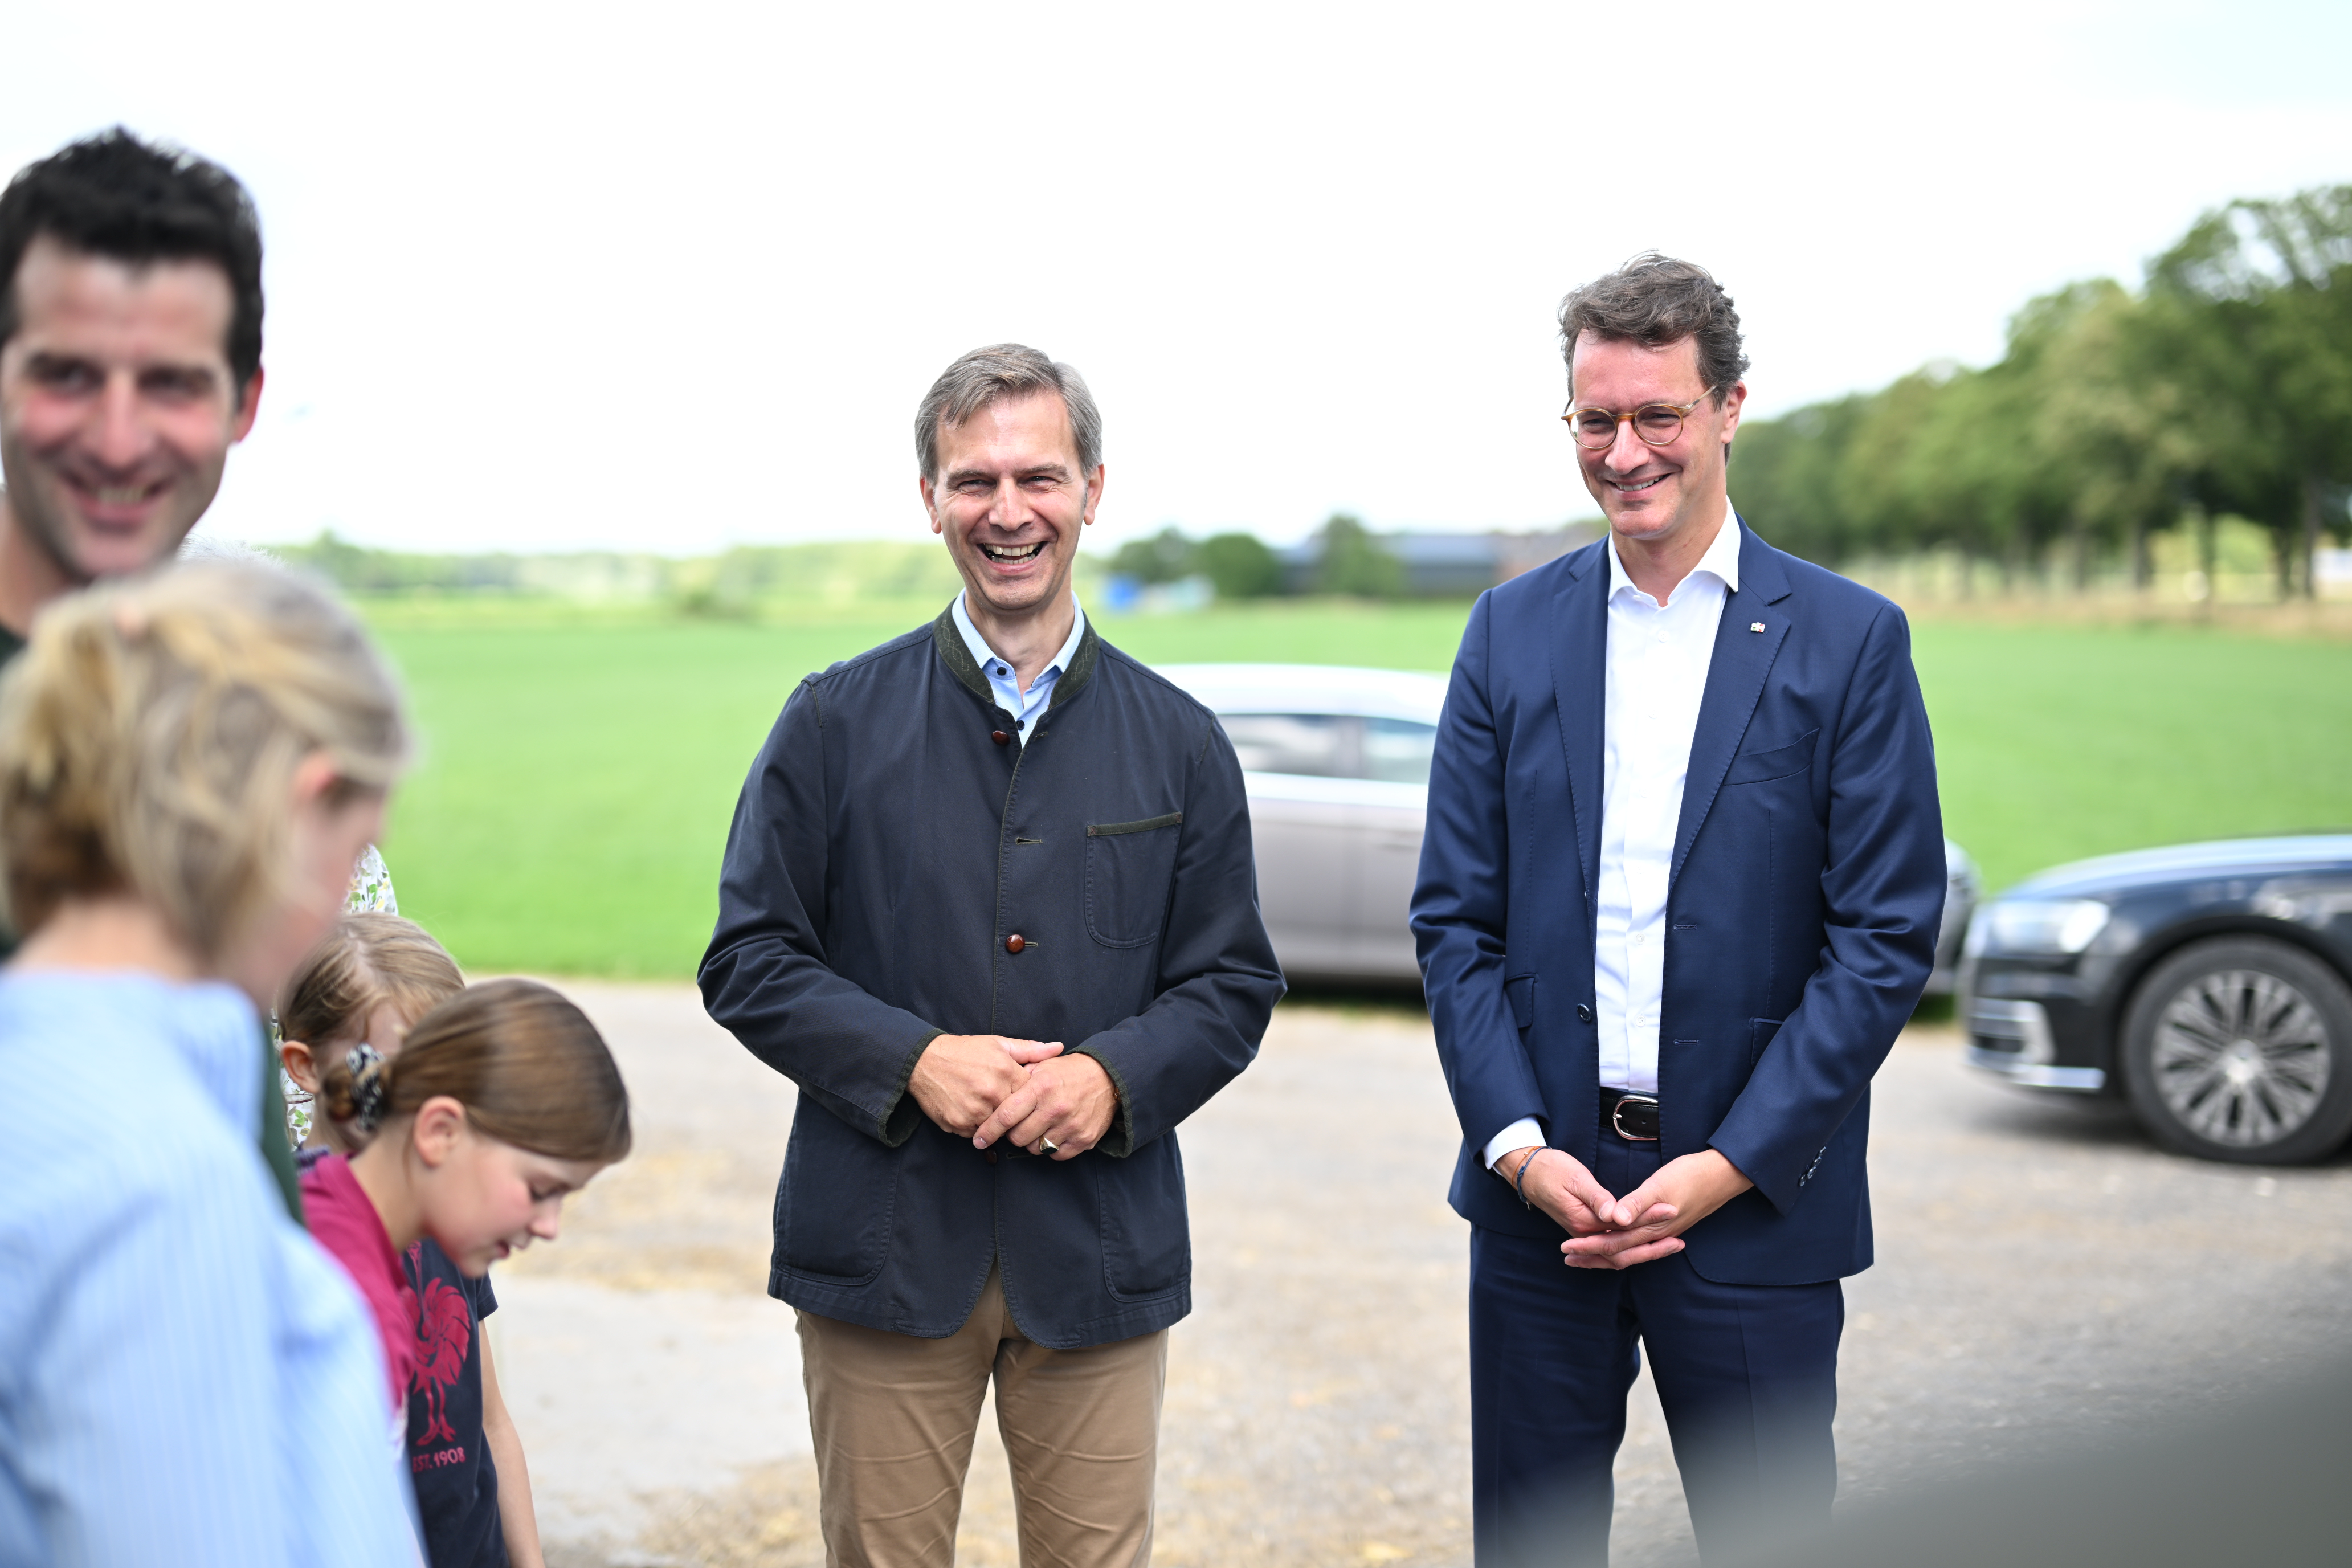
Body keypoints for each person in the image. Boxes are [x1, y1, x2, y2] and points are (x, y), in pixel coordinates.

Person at [701, 343, 1284, 1567]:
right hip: (880, 1248)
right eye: (974, 480)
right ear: (930, 498)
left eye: (1038, 477)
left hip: (1099, 1253)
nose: (1007, 510)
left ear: (1092, 490)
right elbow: (749, 955)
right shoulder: (830, 721)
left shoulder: (1181, 740)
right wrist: (911, 1058)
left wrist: (1112, 1077)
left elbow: (1232, 982)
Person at [1412, 255, 1947, 1565]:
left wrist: (1728, 1164)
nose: (1625, 451)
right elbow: (1455, 923)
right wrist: (1518, 1148)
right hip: (1542, 1209)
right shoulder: (1506, 631)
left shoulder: (1848, 639)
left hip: (1753, 1210)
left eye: (1658, 414)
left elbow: (1881, 938)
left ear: (1728, 408)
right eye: (1595, 418)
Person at [0, 561, 416, 1566]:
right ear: (298, 808)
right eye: (354, 848)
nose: (342, 907)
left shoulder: (43, 1068)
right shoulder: (156, 1174)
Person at [279, 913, 551, 1568]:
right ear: (306, 1067)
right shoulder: (292, 1235)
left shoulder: (442, 1212)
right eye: (404, 1066)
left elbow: (491, 1419)